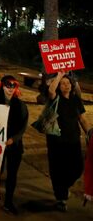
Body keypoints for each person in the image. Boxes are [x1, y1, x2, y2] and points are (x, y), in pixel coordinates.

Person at [45, 71, 93, 211]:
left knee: (77, 168)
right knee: (58, 170)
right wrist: (60, 75)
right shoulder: (55, 98)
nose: (65, 86)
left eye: (67, 83)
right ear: (59, 86)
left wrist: (90, 133)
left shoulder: (76, 100)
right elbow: (50, 90)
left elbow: (83, 119)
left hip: (73, 140)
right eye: (62, 84)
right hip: (56, 142)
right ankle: (61, 198)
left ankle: (63, 188)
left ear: (72, 86)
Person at [0, 75, 28, 214]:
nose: (10, 89)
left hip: (14, 146)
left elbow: (23, 126)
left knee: (12, 175)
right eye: (8, 85)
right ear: (2, 86)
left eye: (13, 86)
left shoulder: (20, 105)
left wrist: (13, 139)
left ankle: (8, 202)